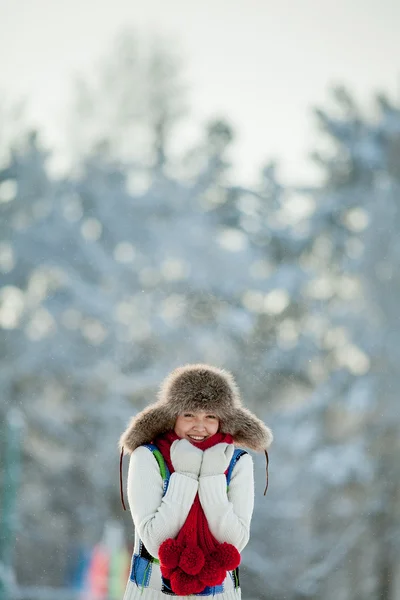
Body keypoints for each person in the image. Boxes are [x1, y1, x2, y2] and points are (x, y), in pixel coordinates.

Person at [119, 363, 273, 599]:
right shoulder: (148, 457)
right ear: (172, 417)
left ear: (222, 420)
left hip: (221, 594)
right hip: (152, 592)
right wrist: (186, 474)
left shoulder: (237, 462)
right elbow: (155, 542)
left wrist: (212, 477)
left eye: (210, 416)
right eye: (189, 414)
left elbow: (234, 543)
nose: (200, 425)